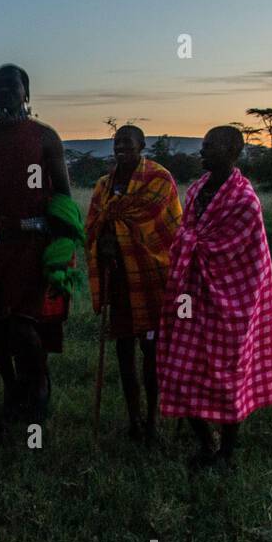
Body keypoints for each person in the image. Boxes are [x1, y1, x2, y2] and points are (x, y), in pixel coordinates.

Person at [157, 126, 272, 468]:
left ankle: (226, 451)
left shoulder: (245, 201)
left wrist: (189, 244)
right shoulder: (196, 190)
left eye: (208, 147)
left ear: (229, 151)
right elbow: (187, 233)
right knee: (180, 369)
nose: (201, 152)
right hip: (191, 293)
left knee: (228, 376)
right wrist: (185, 246)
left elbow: (238, 253)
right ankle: (206, 443)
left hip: (232, 299)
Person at [0, 64, 80, 432]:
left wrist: (62, 252)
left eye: (11, 86)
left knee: (23, 327)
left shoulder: (45, 138)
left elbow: (62, 197)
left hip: (32, 245)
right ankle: (12, 390)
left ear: (26, 93)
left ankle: (39, 383)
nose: (3, 92)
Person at [85, 126, 183, 443]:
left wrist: (117, 227)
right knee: (123, 350)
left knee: (151, 352)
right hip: (120, 280)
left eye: (127, 142)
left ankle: (153, 421)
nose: (121, 147)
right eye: (116, 143)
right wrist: (105, 241)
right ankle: (133, 419)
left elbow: (161, 223)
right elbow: (94, 225)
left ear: (142, 145)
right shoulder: (104, 185)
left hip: (153, 278)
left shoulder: (159, 178)